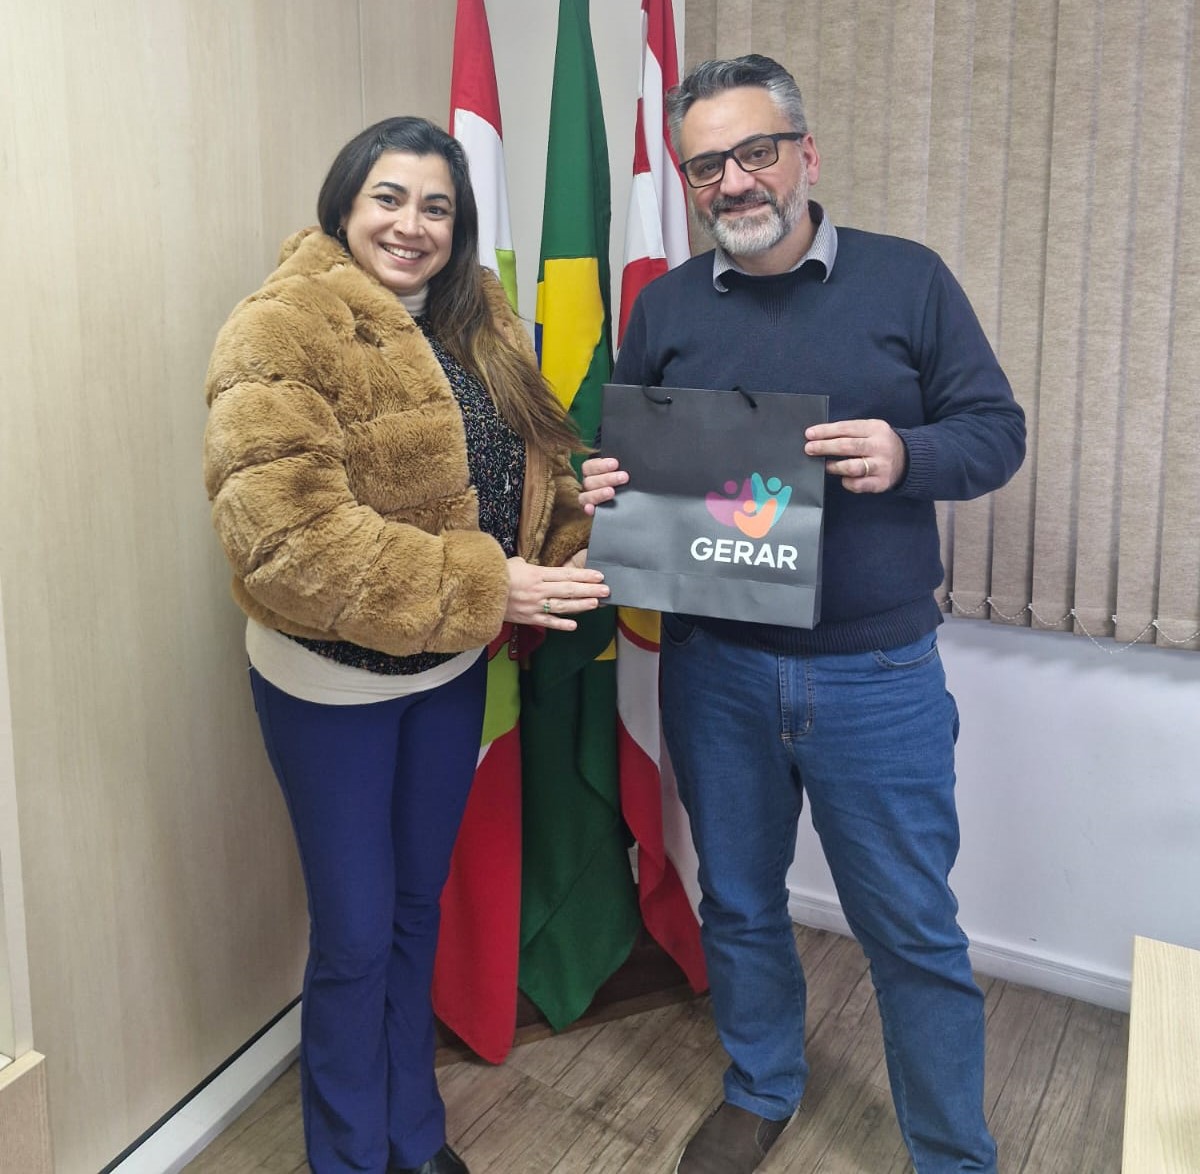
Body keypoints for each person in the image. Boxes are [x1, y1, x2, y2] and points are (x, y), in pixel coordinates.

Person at [581, 55, 1025, 1174]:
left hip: (875, 675)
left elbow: (996, 432)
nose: (734, 181)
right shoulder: (665, 306)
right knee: (736, 900)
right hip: (714, 667)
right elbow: (634, 459)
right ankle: (760, 1086)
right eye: (707, 166)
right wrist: (607, 482)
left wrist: (906, 453)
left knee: (910, 929)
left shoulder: (908, 280)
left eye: (756, 151)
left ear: (806, 154)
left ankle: (952, 1154)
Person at [203, 116, 608, 1174]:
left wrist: (584, 509)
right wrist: (488, 583)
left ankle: (412, 1132)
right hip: (326, 687)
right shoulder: (278, 328)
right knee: (353, 933)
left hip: (449, 673)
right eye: (389, 197)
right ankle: (348, 1153)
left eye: (436, 206)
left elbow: (522, 493)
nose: (411, 225)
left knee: (416, 908)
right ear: (345, 201)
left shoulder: (483, 322)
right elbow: (290, 544)